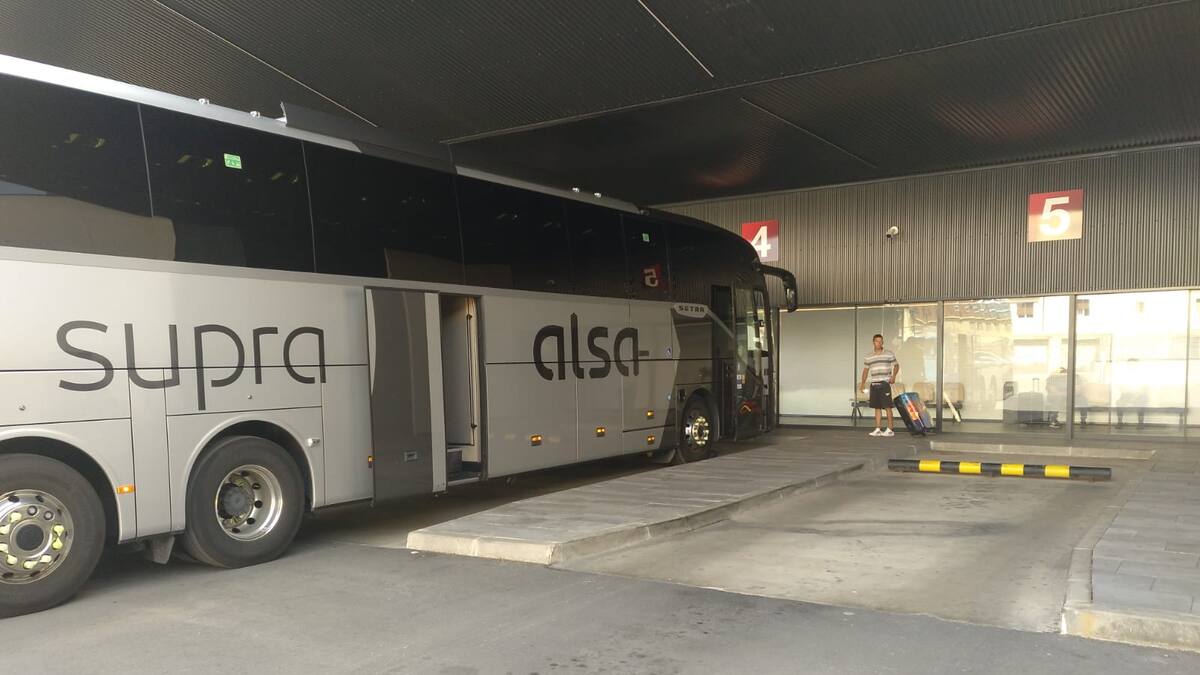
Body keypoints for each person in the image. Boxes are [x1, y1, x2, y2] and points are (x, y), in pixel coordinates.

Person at [860, 334, 900, 437]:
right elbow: (865, 371)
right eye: (877, 341)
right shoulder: (868, 356)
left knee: (887, 407)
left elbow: (896, 365)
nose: (879, 343)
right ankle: (878, 429)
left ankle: (890, 429)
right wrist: (862, 384)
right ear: (873, 342)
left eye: (881, 341)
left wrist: (893, 376)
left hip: (884, 383)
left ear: (883, 342)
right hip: (874, 384)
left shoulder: (889, 354)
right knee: (877, 407)